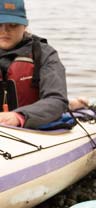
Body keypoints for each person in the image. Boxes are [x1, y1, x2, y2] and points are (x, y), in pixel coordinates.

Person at [0, 0, 68, 129]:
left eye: (13, 24)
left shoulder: (44, 54)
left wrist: (18, 116)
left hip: (32, 128)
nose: (5, 31)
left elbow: (57, 100)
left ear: (25, 25)